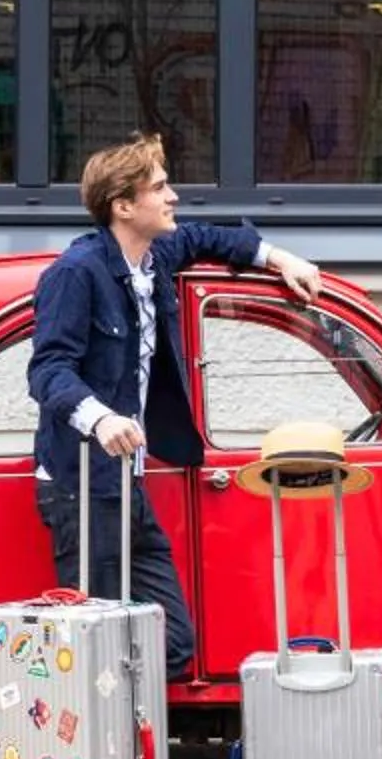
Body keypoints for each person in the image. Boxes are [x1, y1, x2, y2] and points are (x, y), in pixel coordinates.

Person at [27, 133, 320, 680]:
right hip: (83, 487)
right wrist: (101, 417)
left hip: (127, 482)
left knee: (173, 644)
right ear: (123, 206)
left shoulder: (156, 255)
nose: (173, 198)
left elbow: (211, 238)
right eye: (159, 187)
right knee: (96, 649)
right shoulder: (76, 273)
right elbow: (47, 370)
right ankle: (96, 757)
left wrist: (280, 258)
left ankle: (129, 744)